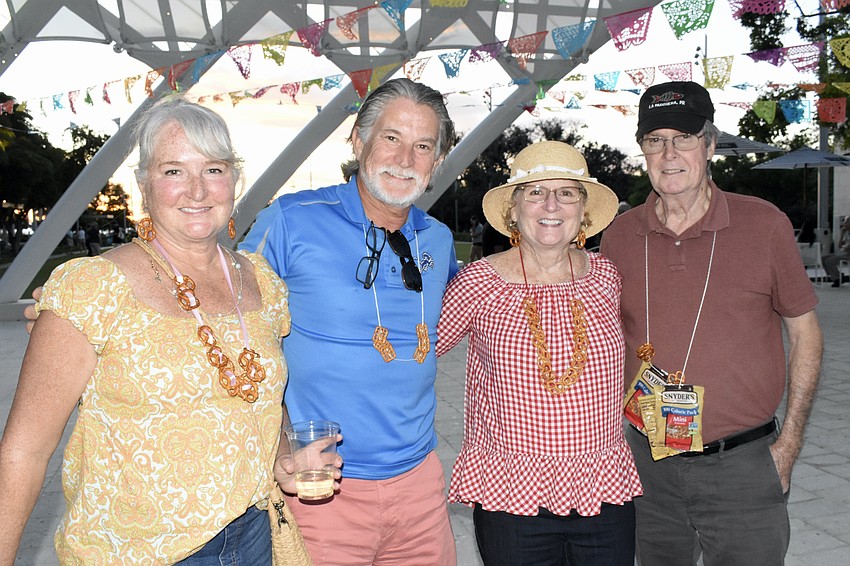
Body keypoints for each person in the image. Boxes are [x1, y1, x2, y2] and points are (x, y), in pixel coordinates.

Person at [0, 99, 344, 564]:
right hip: (137, 551)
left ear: (234, 181)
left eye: (214, 169)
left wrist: (284, 457)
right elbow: (23, 452)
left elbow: (264, 400)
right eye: (174, 171)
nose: (197, 190)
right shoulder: (94, 286)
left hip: (253, 538)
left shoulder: (262, 283)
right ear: (144, 184)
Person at [601, 81, 823, 566]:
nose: (669, 154)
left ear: (710, 144)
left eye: (683, 138)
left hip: (742, 466)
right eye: (655, 140)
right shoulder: (619, 235)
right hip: (649, 466)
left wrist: (789, 445)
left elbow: (805, 333)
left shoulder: (763, 225)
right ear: (643, 149)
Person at [238, 78, 459, 565]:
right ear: (358, 140)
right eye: (391, 138)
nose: (405, 159)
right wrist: (278, 445)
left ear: (438, 161)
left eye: (423, 146)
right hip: (320, 486)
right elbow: (227, 321)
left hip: (419, 487)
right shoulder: (291, 221)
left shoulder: (438, 239)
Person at [437, 141, 642, 565]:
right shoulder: (479, 282)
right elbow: (418, 355)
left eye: (566, 192)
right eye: (535, 192)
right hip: (513, 498)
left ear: (583, 211)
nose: (551, 204)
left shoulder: (606, 277)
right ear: (513, 210)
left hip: (603, 491)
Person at [823, 215, 850, 287]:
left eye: (846, 222)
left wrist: (845, 247)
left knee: (829, 261)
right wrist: (842, 234)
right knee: (823, 259)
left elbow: (847, 246)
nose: (844, 223)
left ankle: (837, 278)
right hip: (843, 252)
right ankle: (837, 275)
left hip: (848, 254)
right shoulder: (847, 233)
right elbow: (840, 246)